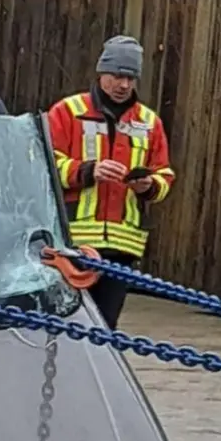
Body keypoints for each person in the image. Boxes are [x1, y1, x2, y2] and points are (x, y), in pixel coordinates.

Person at [46, 35, 176, 329]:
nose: (124, 85)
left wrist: (149, 186)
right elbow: (45, 164)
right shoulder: (68, 112)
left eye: (131, 77)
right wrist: (88, 171)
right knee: (66, 326)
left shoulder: (149, 122)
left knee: (104, 329)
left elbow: (164, 174)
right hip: (73, 245)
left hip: (121, 249)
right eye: (117, 75)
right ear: (101, 72)